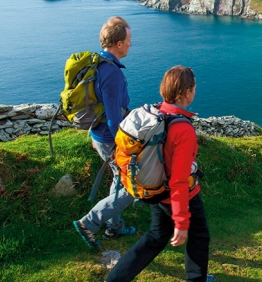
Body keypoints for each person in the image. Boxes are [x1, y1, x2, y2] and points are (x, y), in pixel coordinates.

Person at [106, 66, 214, 282]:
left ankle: (115, 279)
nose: (195, 91)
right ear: (187, 93)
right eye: (193, 88)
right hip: (178, 196)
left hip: (153, 189)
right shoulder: (183, 129)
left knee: (157, 235)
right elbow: (180, 180)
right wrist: (181, 221)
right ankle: (197, 279)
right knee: (199, 235)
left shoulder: (157, 113)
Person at [73, 16, 137, 249]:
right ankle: (89, 223)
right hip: (111, 138)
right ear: (119, 43)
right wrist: (123, 144)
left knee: (118, 179)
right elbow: (112, 115)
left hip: (100, 135)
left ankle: (115, 226)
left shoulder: (99, 64)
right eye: (129, 40)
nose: (131, 44)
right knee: (131, 187)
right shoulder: (112, 73)